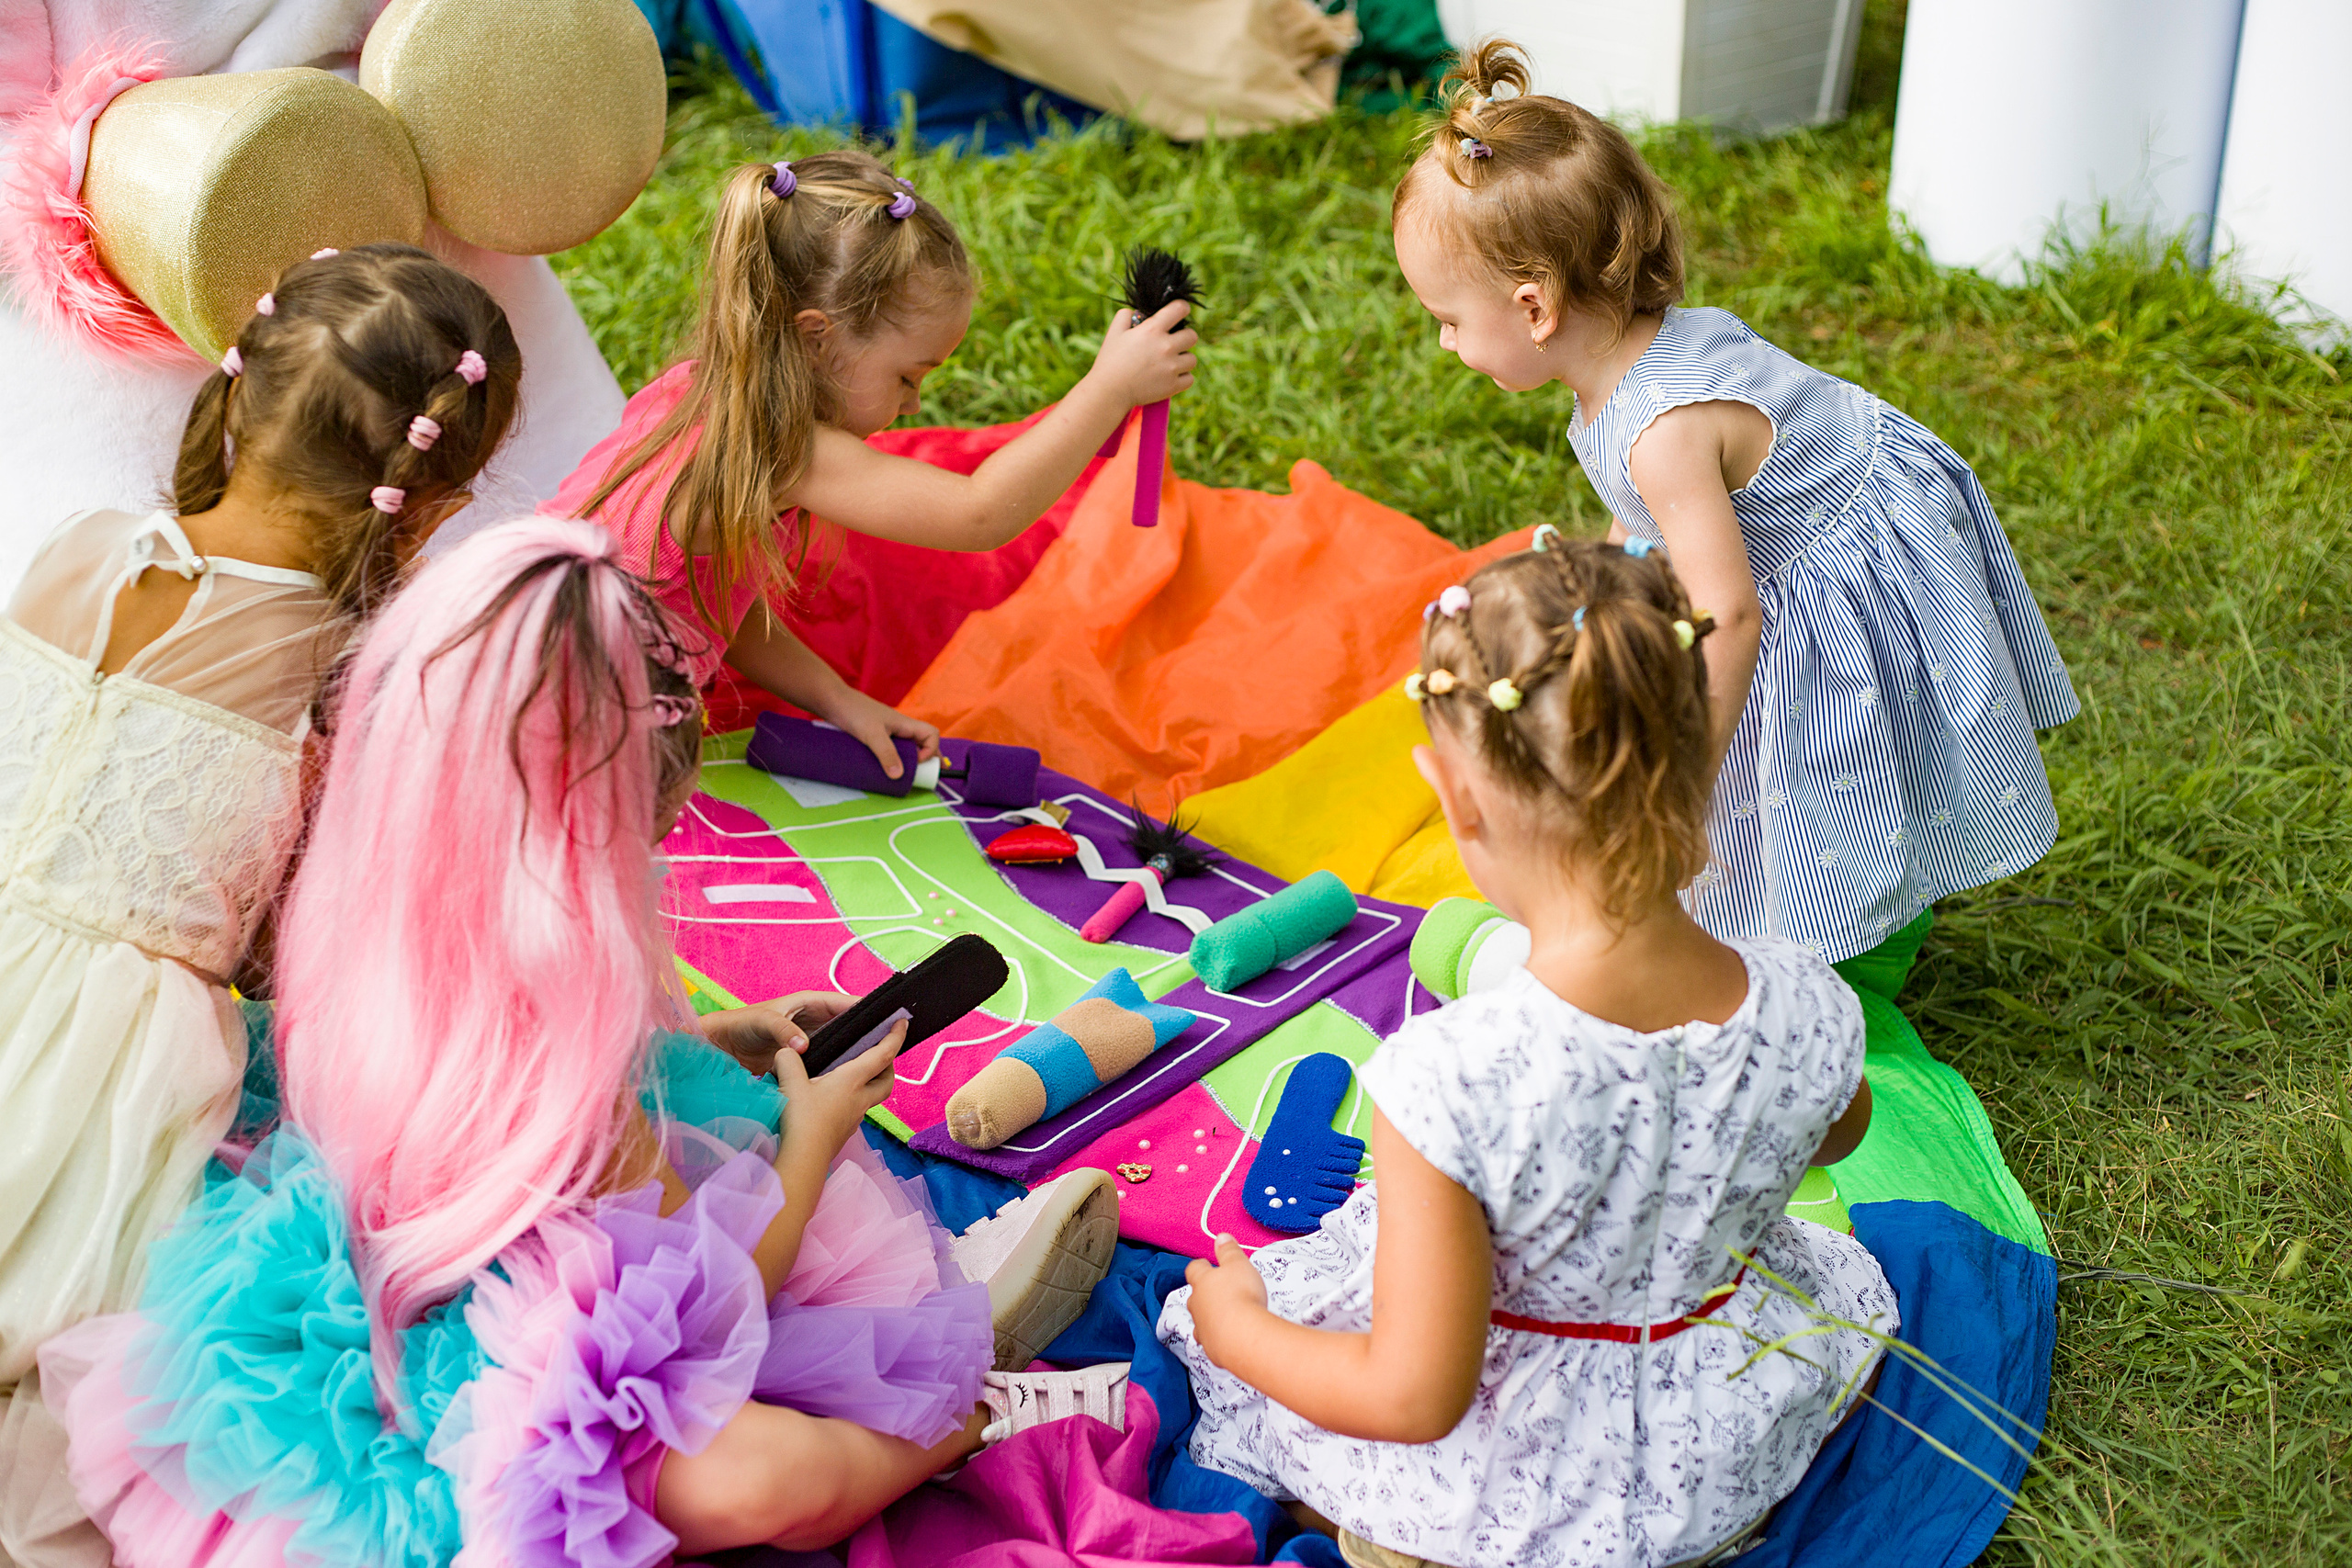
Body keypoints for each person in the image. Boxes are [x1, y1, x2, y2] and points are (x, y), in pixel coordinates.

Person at [38, 519, 1125, 1567]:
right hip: (534, 1355)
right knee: (768, 1473)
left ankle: (940, 1357)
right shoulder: (584, 1078)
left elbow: (509, 1083)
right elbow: (713, 1298)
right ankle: (970, 1414)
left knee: (736, 1223)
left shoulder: (376, 906)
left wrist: (709, 1035)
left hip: (433, 1273)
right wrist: (811, 1133)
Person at [1161, 539, 1898, 1568]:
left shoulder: (1446, 1081)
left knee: (1260, 1341)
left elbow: (1412, 1398)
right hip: (1727, 1452)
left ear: (1454, 799)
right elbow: (1835, 1132)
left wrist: (1239, 1331)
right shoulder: (1806, 998)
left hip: (1512, 1508)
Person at [0, 243, 523, 1567]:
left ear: (233, 400)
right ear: (433, 498)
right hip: (96, 1075)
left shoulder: (76, 548)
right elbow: (307, 949)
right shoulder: (336, 671)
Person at [1390, 40, 2079, 972]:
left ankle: (1834, 943)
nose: (1442, 342)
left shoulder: (1663, 431)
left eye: (1448, 320)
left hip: (1833, 565)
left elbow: (1733, 615)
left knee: (1814, 754)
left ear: (1533, 307)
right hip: (1800, 532)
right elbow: (1648, 533)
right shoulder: (1619, 365)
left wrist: (1685, 775)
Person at [558, 147, 1198, 779]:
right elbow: (978, 515)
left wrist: (841, 703)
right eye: (907, 377)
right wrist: (1109, 388)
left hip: (514, 647)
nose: (914, 404)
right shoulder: (782, 450)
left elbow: (717, 604)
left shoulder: (696, 391)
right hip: (558, 717)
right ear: (817, 339)